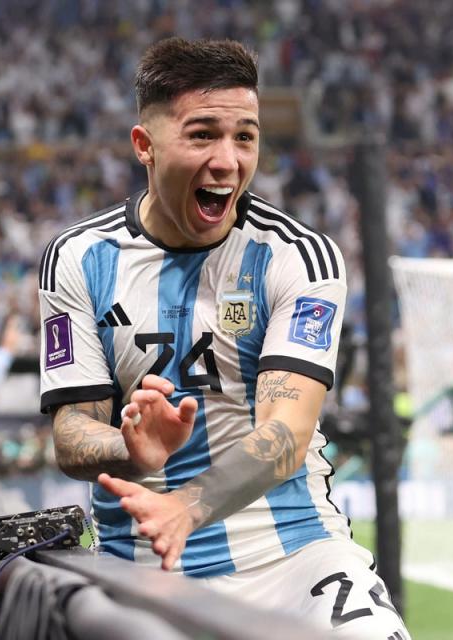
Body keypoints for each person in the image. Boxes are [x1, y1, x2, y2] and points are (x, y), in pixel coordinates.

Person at [39, 37, 410, 639]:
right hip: (142, 566)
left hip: (292, 557)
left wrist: (186, 505)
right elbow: (71, 432)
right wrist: (130, 449)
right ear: (145, 146)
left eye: (245, 136)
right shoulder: (79, 259)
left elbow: (286, 434)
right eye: (202, 134)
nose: (228, 160)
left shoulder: (299, 257)